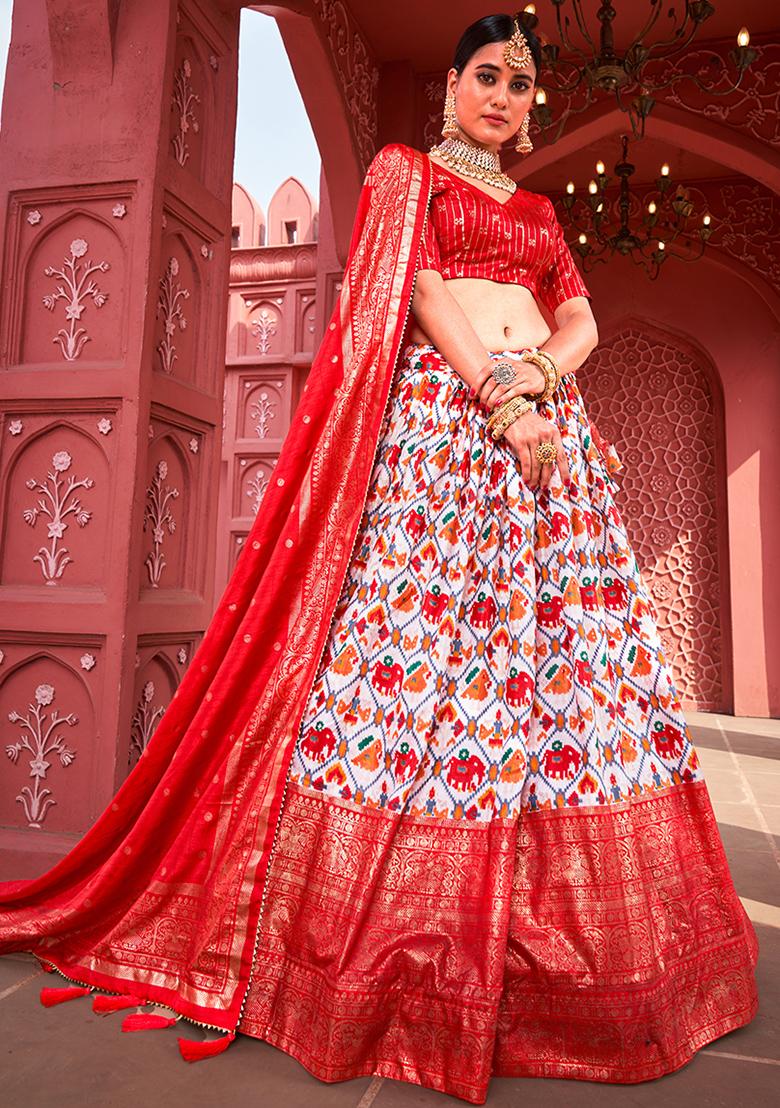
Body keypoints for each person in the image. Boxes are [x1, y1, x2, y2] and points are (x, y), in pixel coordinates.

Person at [0, 10, 759, 1104]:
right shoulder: (409, 177)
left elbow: (582, 317)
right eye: (487, 76)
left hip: (550, 453)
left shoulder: (541, 208)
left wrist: (544, 379)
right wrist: (501, 397)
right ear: (451, 85)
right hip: (451, 438)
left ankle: (562, 936)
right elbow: (422, 295)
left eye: (523, 84)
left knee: (565, 684)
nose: (505, 96)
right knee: (428, 672)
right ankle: (403, 925)